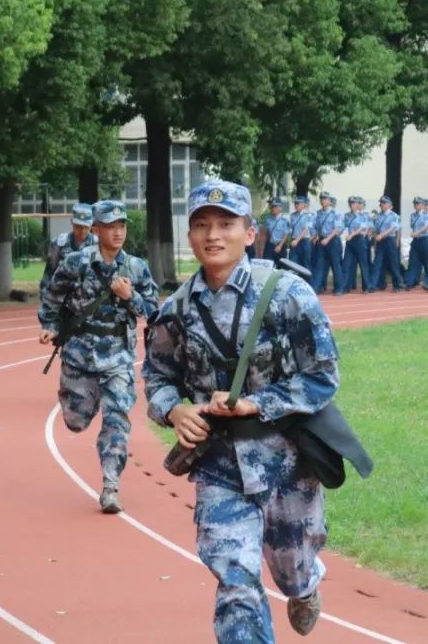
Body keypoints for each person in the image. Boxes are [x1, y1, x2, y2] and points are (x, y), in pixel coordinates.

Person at [143, 180, 338, 643]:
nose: (213, 235)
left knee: (292, 569)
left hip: (288, 460)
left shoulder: (288, 294)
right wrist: (175, 412)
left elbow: (322, 376)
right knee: (236, 579)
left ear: (249, 233)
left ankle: (305, 586)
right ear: (189, 237)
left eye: (226, 224)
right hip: (219, 465)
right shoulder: (175, 311)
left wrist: (259, 402)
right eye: (202, 225)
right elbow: (157, 378)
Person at [38, 200, 160, 513]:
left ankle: (110, 487)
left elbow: (153, 312)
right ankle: (75, 403)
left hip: (118, 357)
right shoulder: (77, 263)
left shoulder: (135, 268)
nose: (118, 232)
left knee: (117, 420)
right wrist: (50, 326)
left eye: (122, 226)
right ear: (96, 230)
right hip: (79, 355)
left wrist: (129, 296)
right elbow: (52, 295)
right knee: (76, 421)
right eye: (110, 226)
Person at [39, 203, 97, 301]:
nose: (82, 231)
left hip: (88, 300)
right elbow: (49, 272)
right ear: (72, 222)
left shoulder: (97, 244)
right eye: (78, 226)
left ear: (91, 224)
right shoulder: (59, 243)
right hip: (61, 298)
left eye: (86, 227)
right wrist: (44, 295)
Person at [310, 191, 344, 294]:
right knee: (319, 265)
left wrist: (327, 239)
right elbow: (314, 227)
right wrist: (314, 236)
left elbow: (337, 229)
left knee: (335, 265)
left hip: (333, 241)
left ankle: (339, 288)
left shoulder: (335, 213)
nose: (322, 201)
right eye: (321, 199)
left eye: (325, 199)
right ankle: (317, 287)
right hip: (321, 241)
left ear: (329, 201)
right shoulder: (318, 213)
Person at [370, 195, 405, 292]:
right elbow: (375, 230)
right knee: (377, 263)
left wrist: (396, 240)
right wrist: (373, 234)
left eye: (384, 203)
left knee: (394, 263)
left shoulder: (394, 216)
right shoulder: (378, 216)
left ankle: (397, 285)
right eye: (381, 203)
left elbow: (393, 228)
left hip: (390, 240)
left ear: (389, 205)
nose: (381, 204)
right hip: (381, 242)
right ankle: (373, 285)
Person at [338, 196, 372, 294]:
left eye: (354, 203)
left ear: (358, 204)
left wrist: (351, 234)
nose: (352, 205)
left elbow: (362, 228)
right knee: (346, 264)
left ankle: (366, 287)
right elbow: (342, 226)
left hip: (359, 240)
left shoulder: (363, 215)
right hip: (350, 241)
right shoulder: (347, 215)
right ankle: (344, 287)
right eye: (350, 203)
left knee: (363, 264)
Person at [404, 197, 428, 289]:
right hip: (416, 241)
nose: (415, 205)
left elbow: (427, 227)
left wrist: (417, 232)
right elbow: (412, 226)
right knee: (413, 261)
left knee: (427, 262)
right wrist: (415, 234)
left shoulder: (427, 215)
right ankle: (410, 282)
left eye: (417, 204)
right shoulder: (413, 215)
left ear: (422, 205)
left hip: (425, 240)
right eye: (415, 204)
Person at [261, 198, 291, 264]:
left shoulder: (284, 219)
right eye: (272, 206)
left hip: (281, 245)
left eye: (274, 206)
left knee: (280, 266)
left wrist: (280, 245)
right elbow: (265, 232)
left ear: (280, 208)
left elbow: (286, 234)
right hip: (270, 245)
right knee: (267, 264)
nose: (272, 208)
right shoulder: (267, 219)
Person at [289, 195, 314, 272]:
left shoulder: (308, 215)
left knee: (306, 264)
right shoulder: (293, 215)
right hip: (294, 241)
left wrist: (297, 240)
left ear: (303, 205)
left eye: (298, 203)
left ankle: (307, 283)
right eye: (295, 203)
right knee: (293, 263)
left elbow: (306, 229)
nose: (296, 205)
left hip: (304, 241)